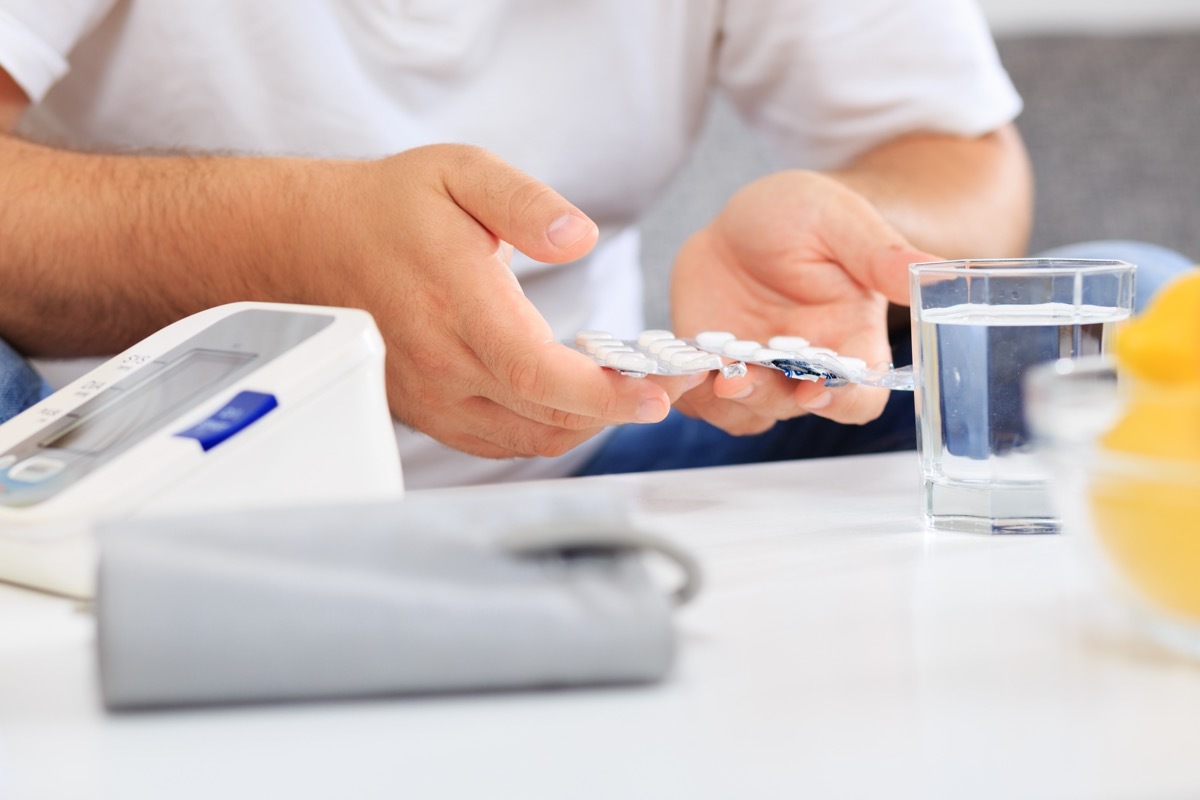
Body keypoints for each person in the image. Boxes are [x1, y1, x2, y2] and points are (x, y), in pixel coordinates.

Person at [0, 1, 1034, 488]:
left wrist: (849, 232)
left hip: (601, 461)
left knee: (1115, 328)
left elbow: (966, 162)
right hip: (106, 465)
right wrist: (272, 247)